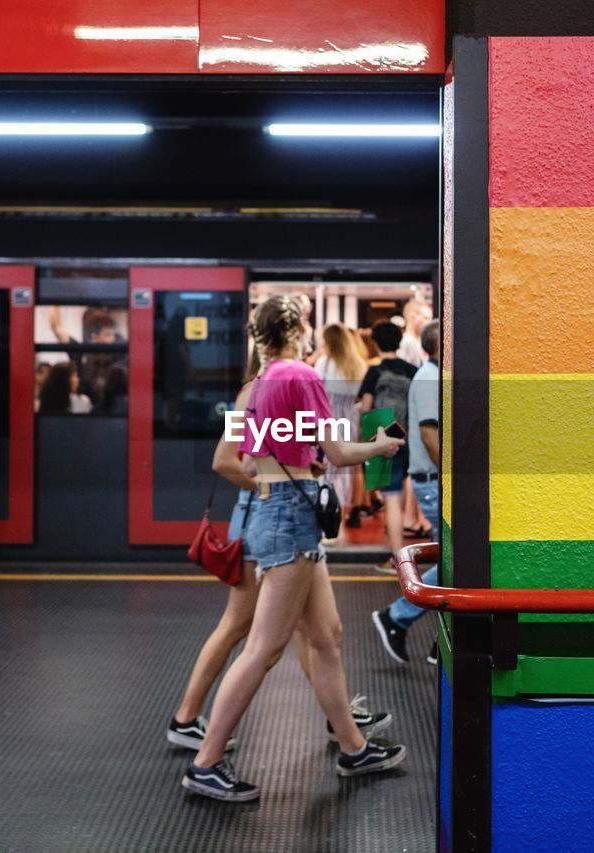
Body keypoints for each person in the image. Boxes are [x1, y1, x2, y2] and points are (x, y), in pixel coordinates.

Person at [184, 295, 406, 803]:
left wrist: (281, 475)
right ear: (298, 328)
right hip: (292, 517)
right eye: (306, 326)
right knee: (264, 648)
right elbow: (338, 451)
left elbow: (234, 458)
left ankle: (353, 746)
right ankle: (206, 761)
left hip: (272, 512)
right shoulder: (302, 378)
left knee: (327, 635)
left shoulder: (254, 387)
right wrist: (380, 447)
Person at [373, 319, 442, 664]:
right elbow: (430, 435)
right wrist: (456, 477)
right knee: (457, 561)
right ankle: (396, 617)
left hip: (429, 478)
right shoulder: (429, 378)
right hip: (434, 480)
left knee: (453, 560)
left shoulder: (429, 375)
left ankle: (437, 643)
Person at [357, 321, 417, 572]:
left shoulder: (375, 372)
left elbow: (365, 408)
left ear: (377, 343)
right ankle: (399, 551)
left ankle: (398, 560)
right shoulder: (413, 370)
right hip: (408, 438)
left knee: (390, 498)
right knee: (399, 493)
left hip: (383, 440)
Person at [313, 323, 368, 527]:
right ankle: (344, 510)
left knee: (328, 467)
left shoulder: (324, 363)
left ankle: (329, 511)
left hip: (329, 418)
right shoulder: (358, 364)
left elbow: (317, 393)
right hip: (350, 419)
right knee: (346, 466)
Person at [397, 299, 432, 368]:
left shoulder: (418, 340)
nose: (429, 322)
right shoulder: (406, 342)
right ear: (412, 317)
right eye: (426, 318)